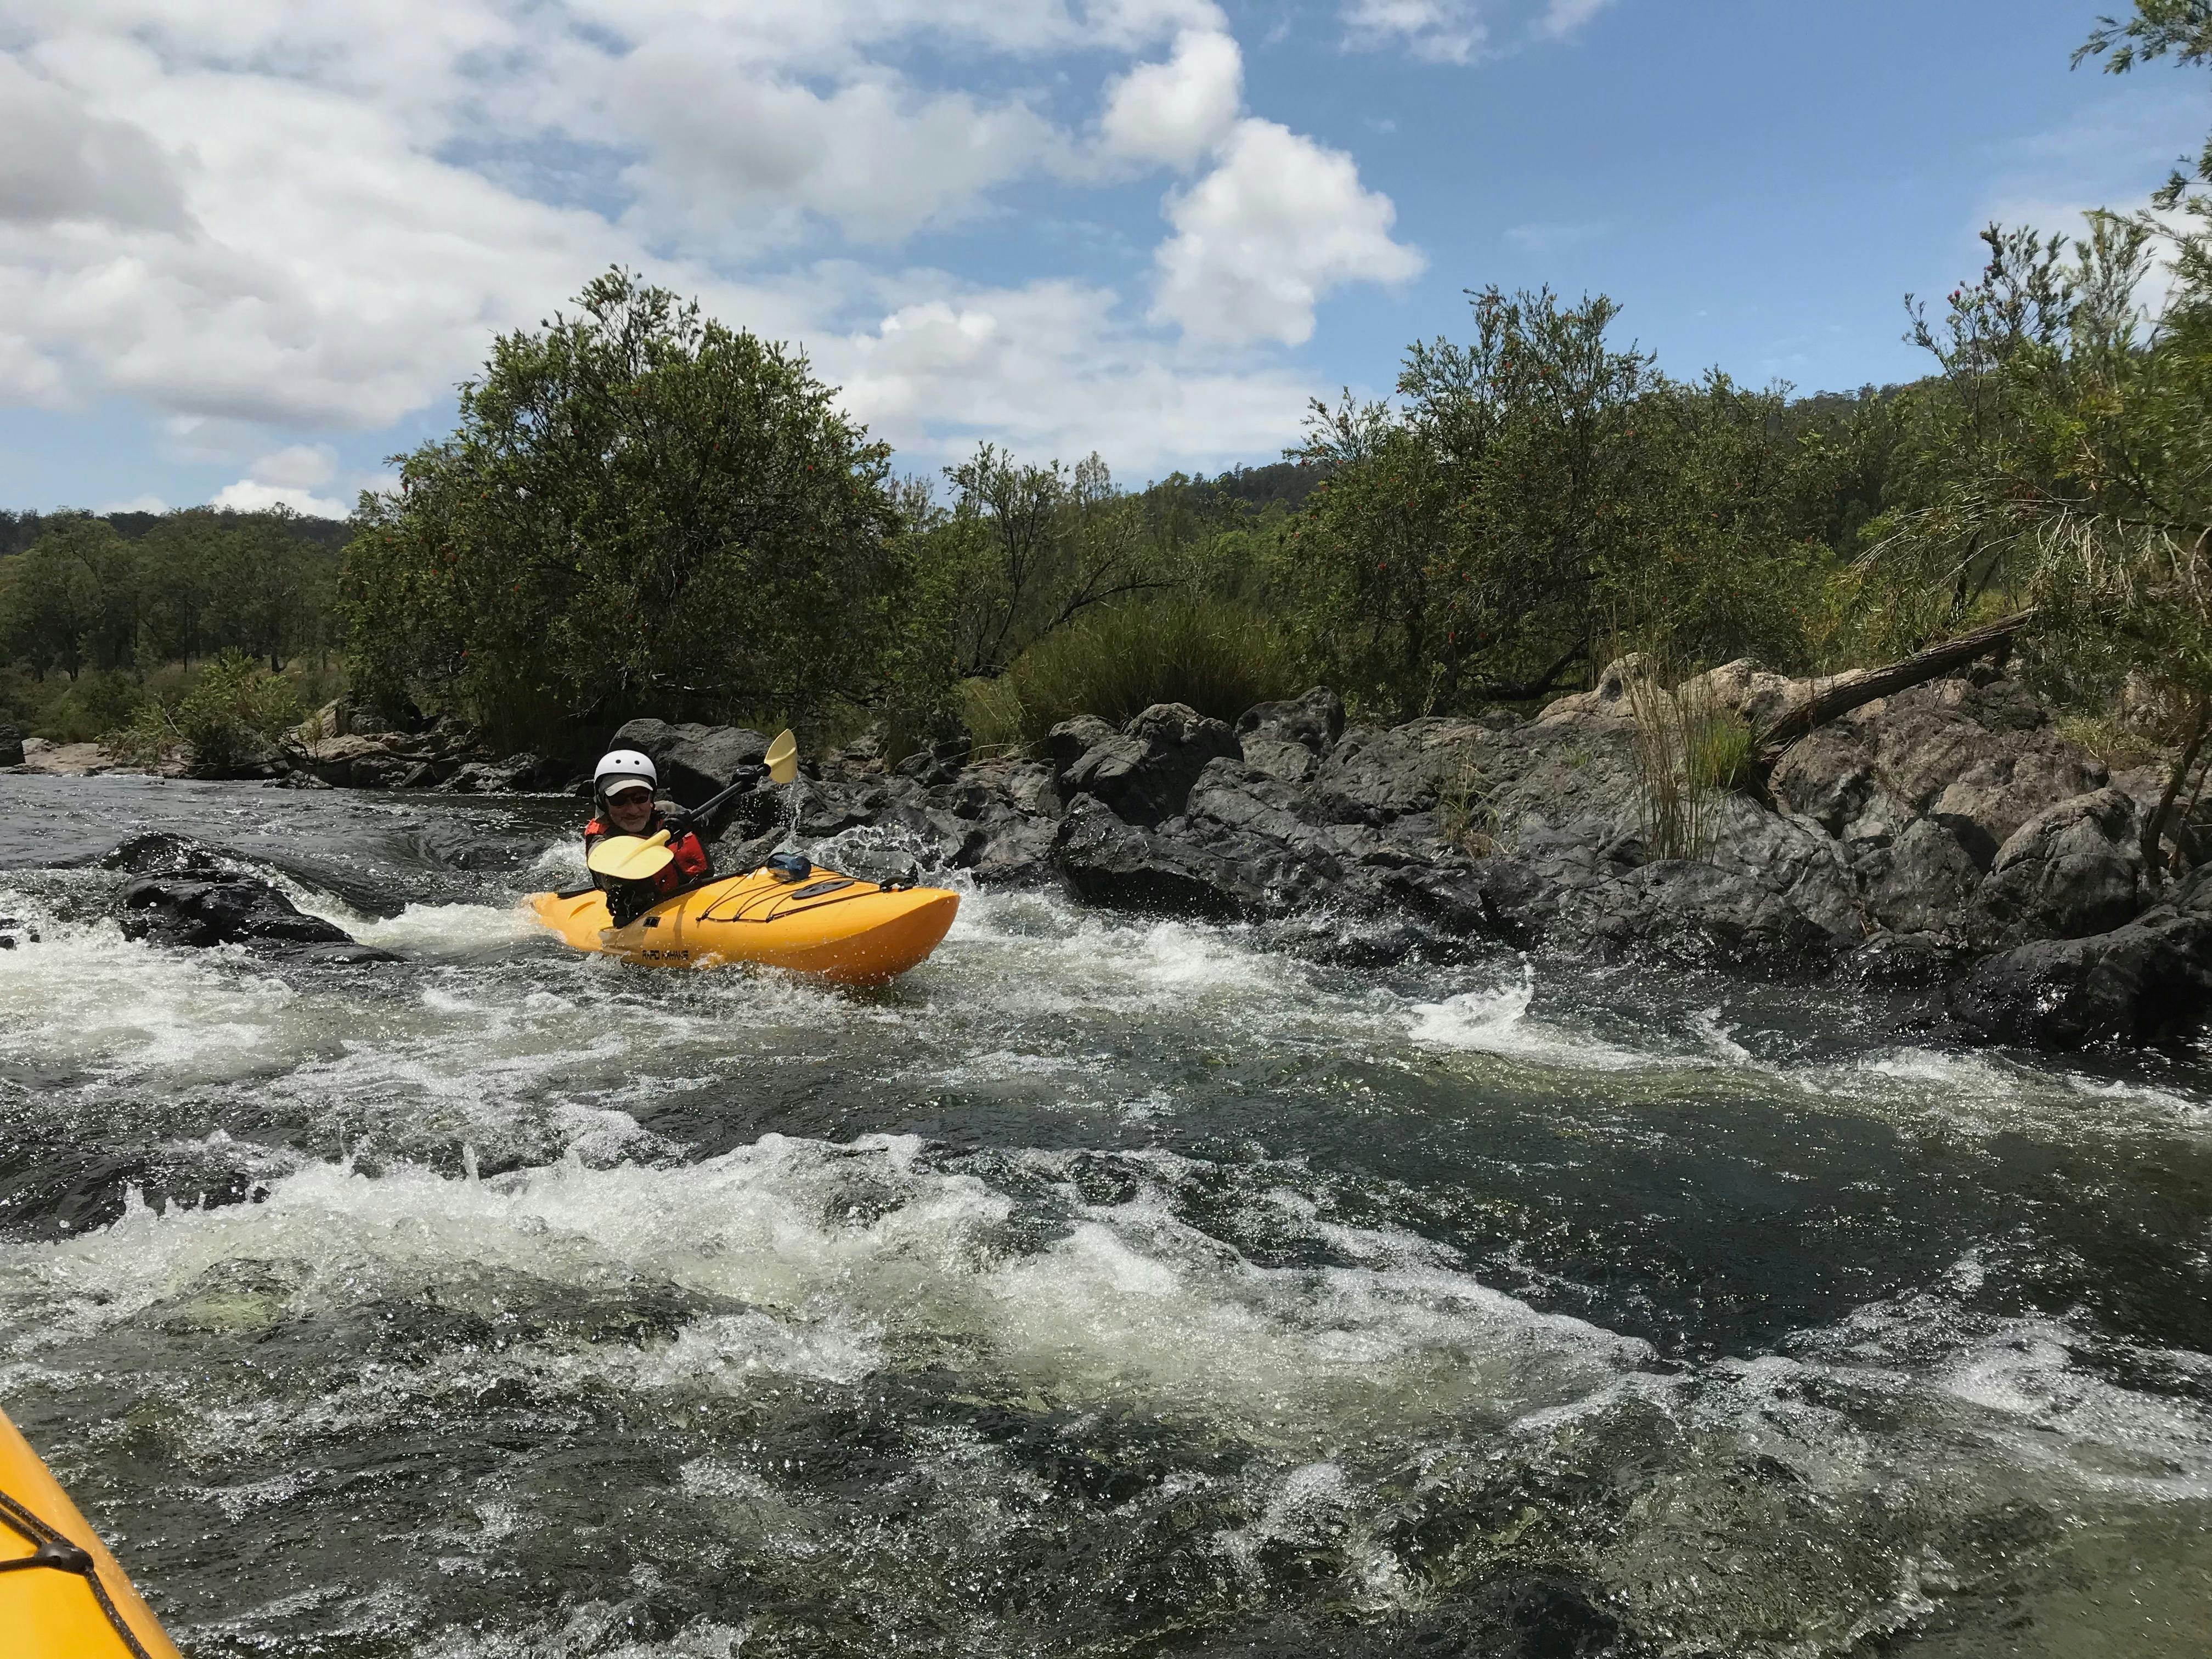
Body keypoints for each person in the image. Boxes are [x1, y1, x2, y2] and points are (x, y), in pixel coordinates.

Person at [583, 749, 713, 926]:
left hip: (700, 898)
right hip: (641, 918)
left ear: (651, 797)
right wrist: (664, 837)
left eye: (640, 798)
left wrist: (736, 792)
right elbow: (614, 876)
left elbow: (711, 826)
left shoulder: (667, 812)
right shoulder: (601, 843)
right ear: (602, 802)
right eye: (619, 800)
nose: (633, 810)